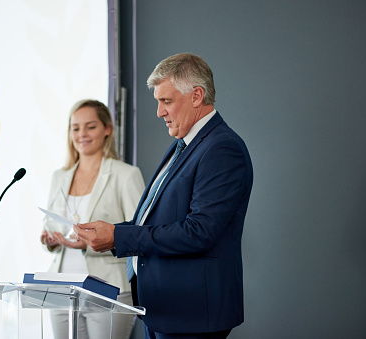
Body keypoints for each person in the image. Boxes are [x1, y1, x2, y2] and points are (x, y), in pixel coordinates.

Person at [73, 53, 254, 339]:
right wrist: (109, 232)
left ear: (197, 96)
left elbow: (199, 232)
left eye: (166, 101)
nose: (159, 112)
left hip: (192, 315)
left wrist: (119, 238)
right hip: (164, 309)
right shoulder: (186, 143)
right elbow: (156, 219)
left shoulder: (222, 149)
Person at [40, 99, 145, 339]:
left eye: (90, 126)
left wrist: (90, 244)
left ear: (107, 129)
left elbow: (140, 235)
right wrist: (51, 239)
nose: (81, 134)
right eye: (75, 128)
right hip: (61, 288)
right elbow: (51, 226)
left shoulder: (126, 175)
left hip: (108, 288)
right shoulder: (60, 176)